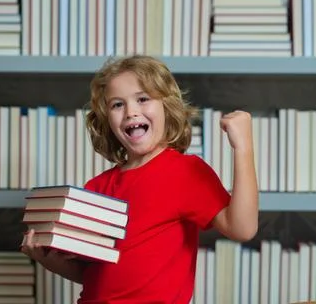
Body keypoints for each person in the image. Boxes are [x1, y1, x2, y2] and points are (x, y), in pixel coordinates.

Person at [21, 55, 259, 303]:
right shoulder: (97, 188)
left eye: (143, 99)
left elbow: (242, 228)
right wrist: (49, 261)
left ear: (167, 107)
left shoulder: (185, 172)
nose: (131, 112)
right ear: (106, 119)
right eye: (117, 105)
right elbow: (95, 274)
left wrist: (243, 148)